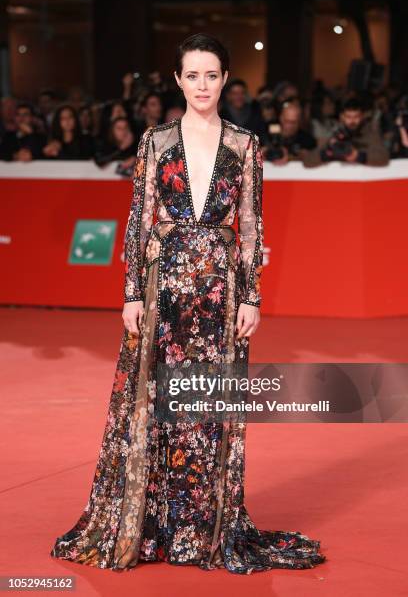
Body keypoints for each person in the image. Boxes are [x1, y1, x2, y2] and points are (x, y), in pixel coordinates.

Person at [50, 32, 326, 574]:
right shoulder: (154, 141)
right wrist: (130, 291)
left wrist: (252, 297)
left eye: (211, 74)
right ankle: (153, 523)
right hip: (163, 288)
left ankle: (204, 527)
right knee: (153, 407)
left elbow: (250, 225)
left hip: (220, 295)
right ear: (178, 80)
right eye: (191, 75)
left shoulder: (245, 145)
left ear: (225, 80)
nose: (201, 85)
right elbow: (139, 218)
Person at [304, 97, 389, 167]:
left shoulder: (370, 134)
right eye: (348, 117)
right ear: (342, 117)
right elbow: (307, 161)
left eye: (356, 117)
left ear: (362, 117)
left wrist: (357, 156)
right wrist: (327, 153)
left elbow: (384, 158)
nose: (352, 121)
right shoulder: (337, 135)